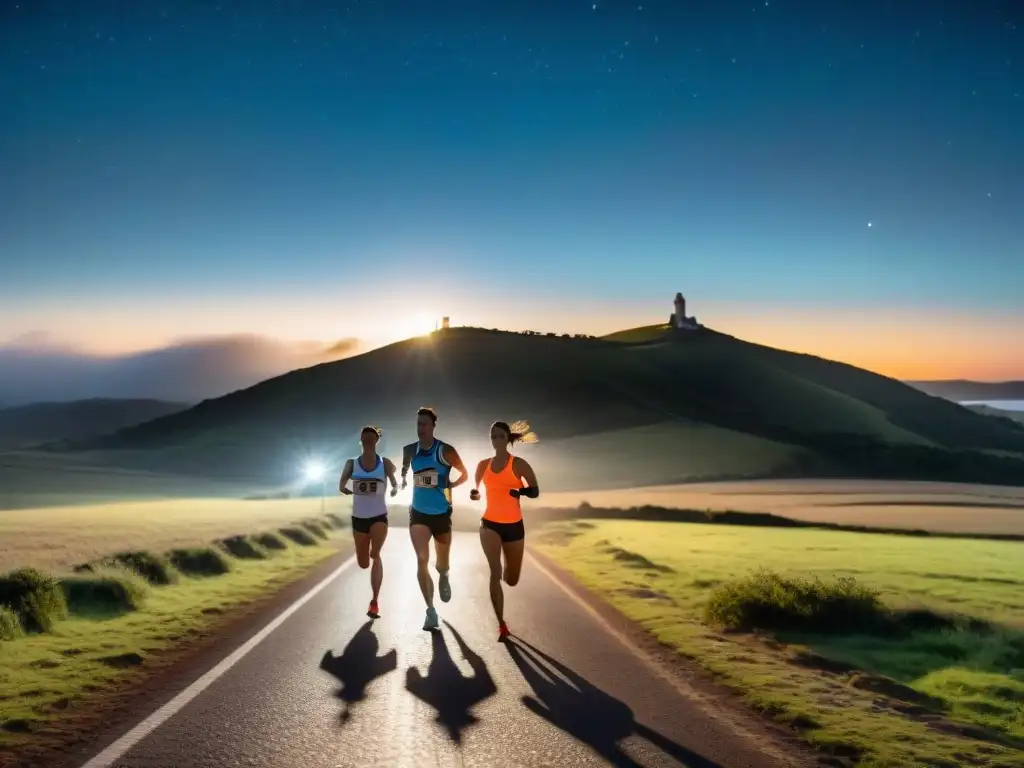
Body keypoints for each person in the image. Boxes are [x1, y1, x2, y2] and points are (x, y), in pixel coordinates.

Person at [469, 419, 539, 641]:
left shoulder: (518, 464)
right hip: (489, 523)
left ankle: (509, 573)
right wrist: (474, 495)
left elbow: (535, 491)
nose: (496, 440)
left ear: (508, 439)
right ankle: (501, 625)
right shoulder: (482, 465)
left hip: (514, 526)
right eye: (492, 436)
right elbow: (476, 491)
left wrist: (520, 493)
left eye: (500, 436)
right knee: (495, 572)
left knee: (511, 579)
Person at [400, 406, 469, 631]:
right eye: (418, 424)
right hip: (418, 512)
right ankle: (430, 611)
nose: (420, 428)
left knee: (441, 563)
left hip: (441, 513)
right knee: (421, 560)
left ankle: (444, 574)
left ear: (432, 426)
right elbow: (404, 472)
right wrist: (401, 480)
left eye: (424, 424)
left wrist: (450, 484)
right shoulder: (410, 450)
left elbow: (464, 474)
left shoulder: (445, 450)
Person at [338, 426, 398, 619]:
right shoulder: (351, 463)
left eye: (370, 440)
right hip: (359, 518)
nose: (367, 443)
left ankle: (374, 602)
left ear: (376, 441)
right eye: (364, 440)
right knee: (363, 563)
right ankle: (368, 563)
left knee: (375, 554)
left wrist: (395, 488)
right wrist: (344, 489)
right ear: (361, 442)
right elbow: (341, 484)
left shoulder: (385, 463)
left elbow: (394, 482)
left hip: (379, 516)